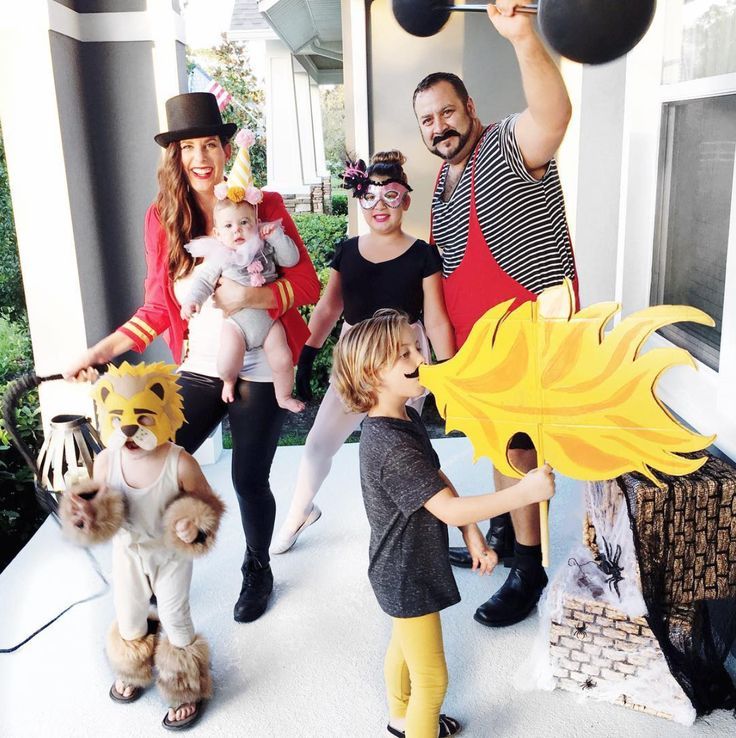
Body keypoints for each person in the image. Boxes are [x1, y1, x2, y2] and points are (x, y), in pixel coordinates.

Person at [65, 92, 320, 624]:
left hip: (262, 363)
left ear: (226, 150)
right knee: (153, 458)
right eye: (188, 148)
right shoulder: (163, 218)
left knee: (251, 478)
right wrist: (101, 350)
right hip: (201, 365)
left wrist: (249, 298)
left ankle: (257, 568)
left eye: (210, 144)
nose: (201, 157)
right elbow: (158, 306)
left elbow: (307, 283)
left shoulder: (261, 203)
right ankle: (155, 569)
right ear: (176, 157)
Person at [412, 0, 579, 628]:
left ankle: (529, 568)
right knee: (495, 444)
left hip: (528, 336)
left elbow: (554, 116)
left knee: (518, 452)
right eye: (427, 120)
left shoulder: (508, 143)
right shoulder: (442, 182)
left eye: (448, 111)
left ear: (471, 109)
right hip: (479, 350)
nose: (439, 126)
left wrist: (521, 36)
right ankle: (512, 534)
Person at [331, 309, 555, 738]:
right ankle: (418, 725)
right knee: (431, 682)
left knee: (403, 647)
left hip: (401, 567)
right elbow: (448, 509)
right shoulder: (391, 446)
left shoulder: (403, 418)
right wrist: (523, 493)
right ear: (371, 373)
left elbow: (436, 478)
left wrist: (473, 536)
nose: (422, 357)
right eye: (405, 353)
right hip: (407, 574)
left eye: (417, 346)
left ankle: (400, 717)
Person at [271, 151, 456, 554]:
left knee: (407, 449)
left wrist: (447, 374)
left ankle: (434, 523)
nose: (380, 206)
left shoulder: (424, 253)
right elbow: (327, 308)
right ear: (359, 200)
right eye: (370, 197)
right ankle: (298, 511)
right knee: (319, 442)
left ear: (406, 200)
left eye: (391, 196)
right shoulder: (348, 250)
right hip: (355, 360)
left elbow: (438, 319)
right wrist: (306, 358)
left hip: (406, 360)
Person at [58, 362, 225, 731]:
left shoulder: (180, 462)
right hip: (128, 552)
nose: (129, 429)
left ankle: (185, 686)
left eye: (144, 418)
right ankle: (132, 669)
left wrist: (192, 522)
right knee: (129, 615)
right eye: (117, 418)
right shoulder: (105, 459)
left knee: (176, 617)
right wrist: (85, 511)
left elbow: (209, 507)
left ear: (165, 415)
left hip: (171, 556)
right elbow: (98, 505)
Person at [180, 194, 304, 412]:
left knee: (283, 360)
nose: (236, 230)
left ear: (255, 224)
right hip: (237, 324)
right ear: (218, 233)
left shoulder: (264, 247)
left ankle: (284, 396)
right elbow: (204, 281)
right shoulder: (219, 256)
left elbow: (291, 259)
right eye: (228, 226)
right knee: (227, 364)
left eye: (244, 223)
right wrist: (193, 300)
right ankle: (229, 382)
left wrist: (276, 237)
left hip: (269, 320)